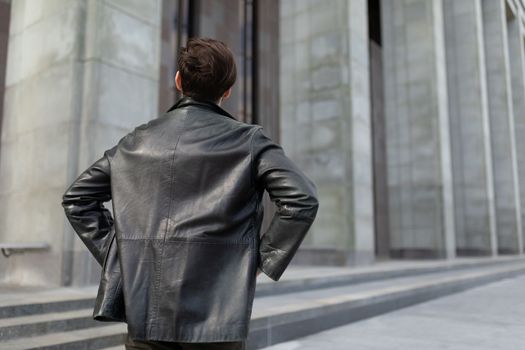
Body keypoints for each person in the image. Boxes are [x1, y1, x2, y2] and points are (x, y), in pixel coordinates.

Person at [61, 37, 319, 350]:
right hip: (217, 312)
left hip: (147, 310)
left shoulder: (135, 141)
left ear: (178, 80)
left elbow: (77, 199)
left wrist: (125, 253)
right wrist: (259, 259)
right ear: (227, 90)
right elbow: (301, 199)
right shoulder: (249, 140)